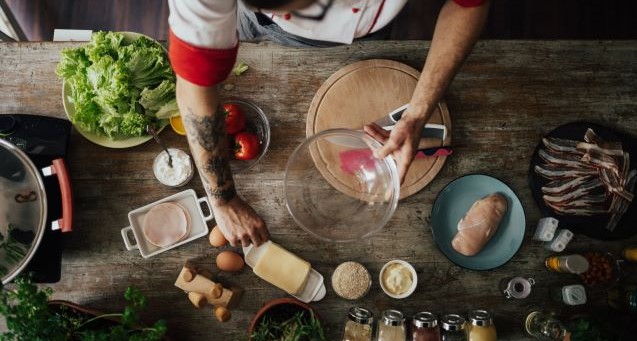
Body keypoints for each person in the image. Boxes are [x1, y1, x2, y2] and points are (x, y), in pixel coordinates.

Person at [167, 0, 490, 248]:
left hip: (362, 25)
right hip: (247, 18)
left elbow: (468, 5)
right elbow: (195, 90)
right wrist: (221, 199)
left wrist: (419, 113)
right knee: (251, 27)